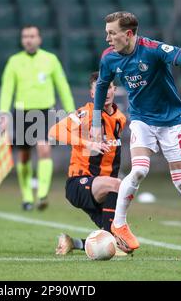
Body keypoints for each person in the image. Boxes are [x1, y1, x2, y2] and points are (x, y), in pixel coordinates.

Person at [92, 11, 181, 260]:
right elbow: (102, 84)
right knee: (138, 170)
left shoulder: (153, 50)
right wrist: (95, 123)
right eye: (107, 33)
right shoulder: (109, 58)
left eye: (112, 33)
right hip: (142, 121)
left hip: (171, 121)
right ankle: (119, 224)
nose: (107, 38)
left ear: (129, 33)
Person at [0, 25, 75, 211]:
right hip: (22, 112)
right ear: (22, 40)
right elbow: (7, 89)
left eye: (32, 36)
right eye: (25, 36)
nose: (28, 39)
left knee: (44, 149)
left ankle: (42, 194)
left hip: (45, 111)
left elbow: (62, 86)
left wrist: (71, 111)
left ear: (39, 39)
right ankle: (26, 196)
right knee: (24, 156)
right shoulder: (14, 61)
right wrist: (3, 113)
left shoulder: (50, 59)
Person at [49, 72, 126, 256]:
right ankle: (108, 236)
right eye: (99, 89)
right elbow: (54, 131)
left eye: (107, 87)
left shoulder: (120, 119)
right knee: (117, 184)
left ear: (114, 89)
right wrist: (87, 142)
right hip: (79, 183)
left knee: (123, 245)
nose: (105, 92)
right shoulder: (85, 114)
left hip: (103, 191)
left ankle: (72, 242)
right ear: (92, 94)